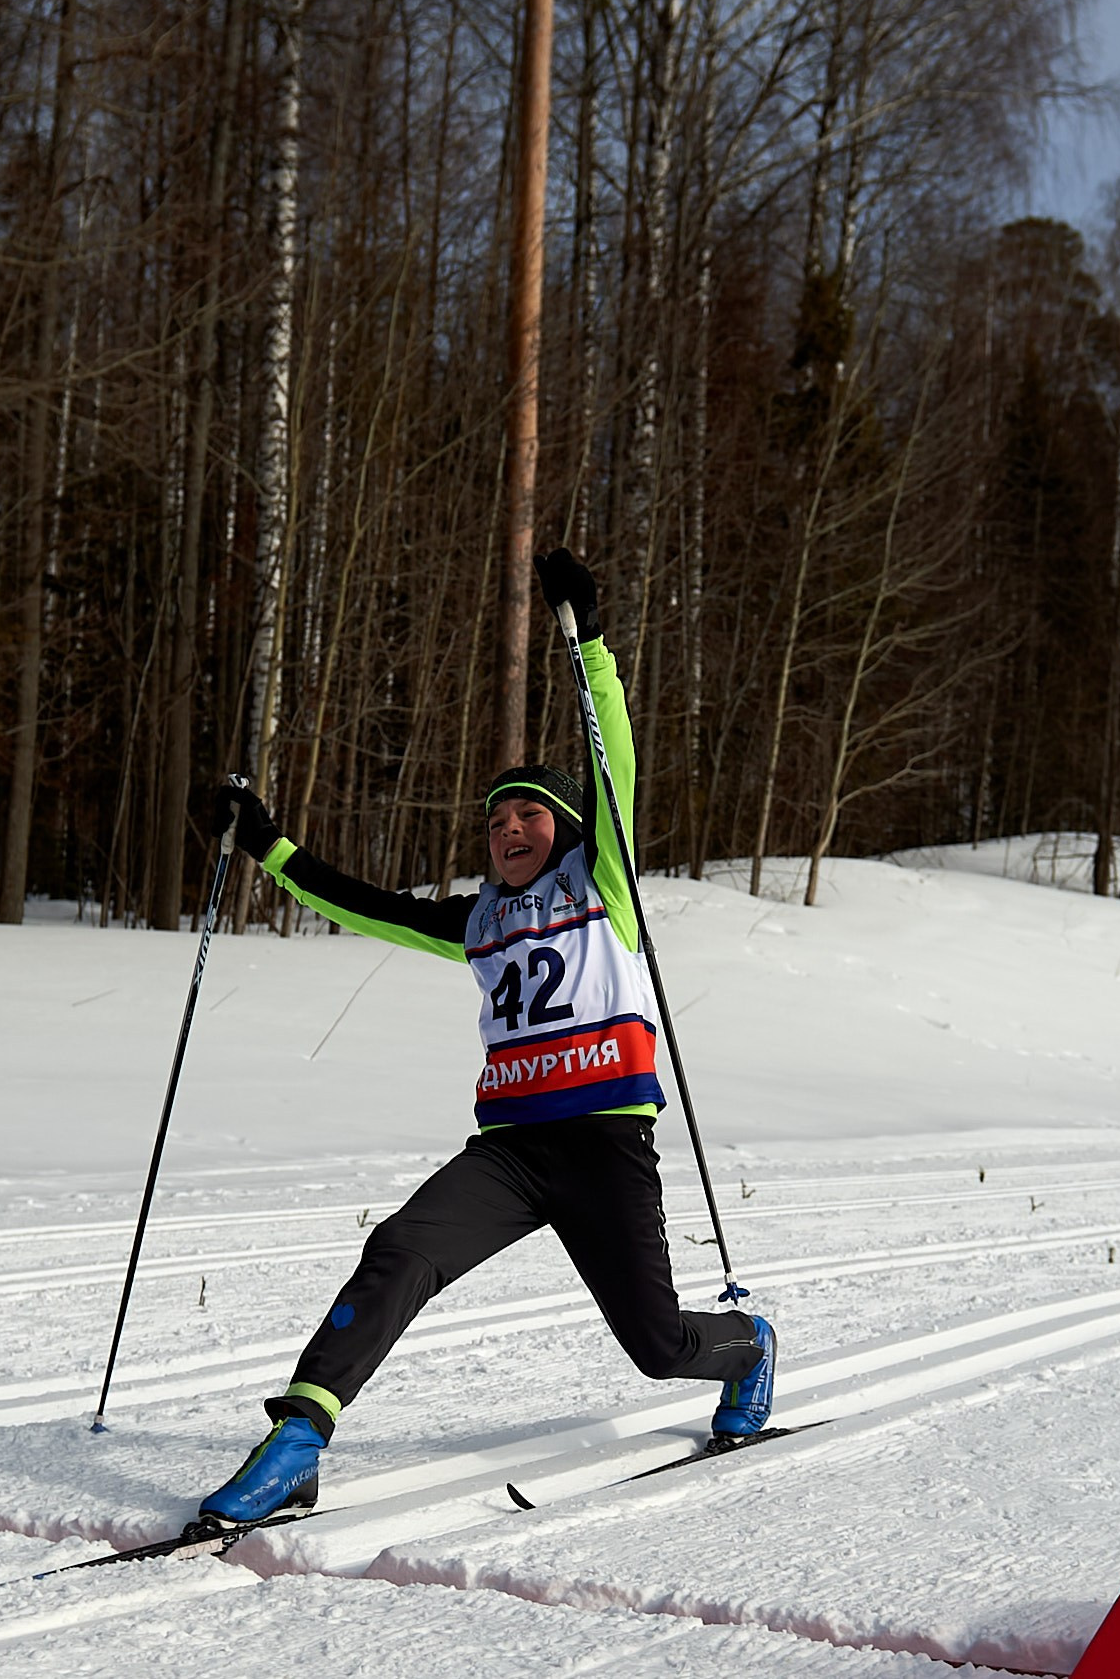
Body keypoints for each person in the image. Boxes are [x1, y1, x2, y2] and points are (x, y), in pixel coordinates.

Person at [194, 546, 773, 1530]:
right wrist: (265, 844)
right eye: (497, 819)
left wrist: (587, 638)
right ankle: (297, 1440)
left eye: (530, 816)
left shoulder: (605, 889)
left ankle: (748, 1344)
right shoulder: (475, 923)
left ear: (565, 831)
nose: (509, 830)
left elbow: (612, 762)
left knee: (656, 1345)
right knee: (399, 1249)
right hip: (508, 1154)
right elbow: (357, 903)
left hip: (605, 1149)